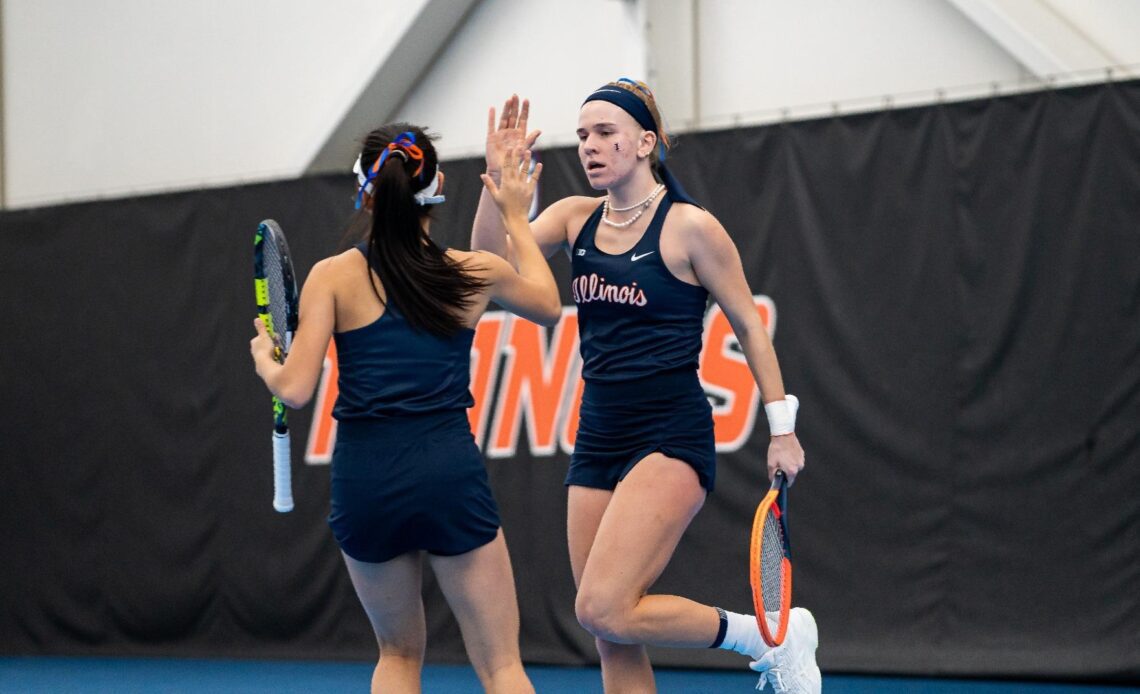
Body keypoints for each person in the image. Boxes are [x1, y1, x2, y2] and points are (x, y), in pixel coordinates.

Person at [471, 85, 822, 693]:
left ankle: (768, 636)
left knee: (600, 605)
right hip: (598, 435)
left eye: (607, 133)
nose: (591, 147)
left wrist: (782, 428)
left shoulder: (690, 228)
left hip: (670, 434)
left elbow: (748, 326)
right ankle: (770, 637)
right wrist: (497, 187)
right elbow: (486, 261)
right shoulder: (574, 216)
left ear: (645, 142)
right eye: (582, 136)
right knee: (612, 633)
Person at [251, 123, 559, 694]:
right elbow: (547, 304)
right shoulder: (470, 274)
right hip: (447, 473)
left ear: (364, 190)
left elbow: (293, 389)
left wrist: (265, 360)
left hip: (367, 482)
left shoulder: (334, 275)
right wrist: (514, 209)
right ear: (437, 184)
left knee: (397, 654)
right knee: (501, 666)